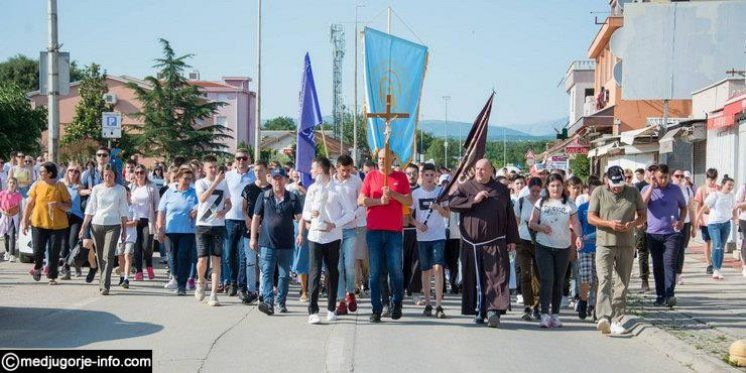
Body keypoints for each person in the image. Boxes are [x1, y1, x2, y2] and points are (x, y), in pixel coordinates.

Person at [449, 159, 519, 328]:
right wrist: (474, 199)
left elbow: (509, 215)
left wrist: (512, 239)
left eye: (483, 169)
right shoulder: (466, 187)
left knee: (496, 277)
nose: (480, 172)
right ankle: (479, 311)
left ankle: (494, 311)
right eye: (478, 169)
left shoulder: (501, 190)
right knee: (475, 278)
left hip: (494, 242)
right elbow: (452, 204)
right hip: (471, 244)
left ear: (490, 171)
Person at [588, 166, 646, 335]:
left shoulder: (633, 192)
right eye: (614, 184)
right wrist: (609, 224)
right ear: (607, 180)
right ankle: (604, 317)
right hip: (604, 243)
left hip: (626, 243)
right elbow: (591, 217)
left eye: (620, 183)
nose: (617, 187)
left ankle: (617, 319)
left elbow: (643, 215)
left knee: (622, 283)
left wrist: (633, 224)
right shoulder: (599, 192)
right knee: (604, 279)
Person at [358, 149, 412, 323]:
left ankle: (397, 302)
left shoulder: (401, 177)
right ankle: (376, 309)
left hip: (394, 232)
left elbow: (409, 201)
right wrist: (378, 201)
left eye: (385, 158)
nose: (381, 161)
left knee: (395, 270)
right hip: (374, 231)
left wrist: (393, 195)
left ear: (392, 159)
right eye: (380, 158)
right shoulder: (371, 176)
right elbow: (361, 200)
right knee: (375, 273)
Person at [302, 157, 355, 324]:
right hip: (315, 236)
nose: (310, 171)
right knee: (315, 272)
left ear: (321, 170)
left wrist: (335, 224)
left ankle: (331, 308)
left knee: (332, 272)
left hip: (332, 236)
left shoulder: (337, 190)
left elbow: (350, 213)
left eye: (313, 168)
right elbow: (304, 213)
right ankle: (313, 311)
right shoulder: (311, 189)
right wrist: (311, 215)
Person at [529, 173, 582, 328]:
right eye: (552, 186)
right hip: (543, 246)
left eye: (558, 185)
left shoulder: (569, 204)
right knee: (547, 280)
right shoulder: (541, 202)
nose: (556, 188)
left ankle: (556, 315)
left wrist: (579, 237)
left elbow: (576, 222)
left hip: (563, 247)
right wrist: (541, 228)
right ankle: (545, 314)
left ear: (563, 187)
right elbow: (532, 223)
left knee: (559, 282)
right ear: (548, 187)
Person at [251, 168, 303, 316]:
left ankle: (281, 302)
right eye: (275, 178)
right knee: (267, 272)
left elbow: (300, 218)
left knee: (284, 275)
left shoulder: (292, 198)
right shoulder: (264, 196)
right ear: (271, 180)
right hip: (267, 243)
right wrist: (253, 238)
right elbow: (256, 217)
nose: (278, 181)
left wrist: (300, 234)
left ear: (285, 180)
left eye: (280, 178)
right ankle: (268, 302)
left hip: (286, 244)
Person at [641, 164, 687, 308]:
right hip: (653, 234)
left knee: (669, 264)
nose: (663, 180)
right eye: (661, 177)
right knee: (657, 265)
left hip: (672, 234)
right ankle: (660, 295)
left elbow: (683, 207)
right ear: (654, 176)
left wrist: (681, 221)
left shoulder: (675, 189)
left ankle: (670, 294)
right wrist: (651, 186)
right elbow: (642, 205)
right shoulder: (646, 189)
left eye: (666, 177)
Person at [79, 164, 128, 294]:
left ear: (115, 176)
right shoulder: (96, 189)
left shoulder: (120, 189)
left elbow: (123, 209)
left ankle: (106, 285)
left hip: (114, 225)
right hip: (97, 225)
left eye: (110, 175)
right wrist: (84, 226)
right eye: (105, 175)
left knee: (108, 255)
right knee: (100, 256)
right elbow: (90, 208)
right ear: (102, 176)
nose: (108, 178)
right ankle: (102, 281)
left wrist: (124, 229)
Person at [21, 162, 71, 285]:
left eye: (42, 171)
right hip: (38, 223)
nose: (40, 173)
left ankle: (52, 277)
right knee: (38, 250)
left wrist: (59, 204)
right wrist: (24, 221)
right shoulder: (36, 185)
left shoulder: (60, 186)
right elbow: (29, 204)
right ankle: (38, 267)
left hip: (57, 225)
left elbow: (68, 205)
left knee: (54, 251)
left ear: (50, 173)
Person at [410, 163, 449, 318]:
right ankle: (427, 303)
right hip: (422, 236)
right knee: (425, 270)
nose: (429, 178)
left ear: (435, 177)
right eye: (426, 175)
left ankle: (439, 304)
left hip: (438, 235)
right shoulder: (415, 193)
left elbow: (448, 214)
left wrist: (439, 208)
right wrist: (418, 224)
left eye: (432, 175)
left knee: (438, 267)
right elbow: (408, 217)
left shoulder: (441, 192)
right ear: (422, 176)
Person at [193, 156, 231, 306]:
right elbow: (202, 198)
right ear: (204, 169)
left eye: (215, 167)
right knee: (202, 260)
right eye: (211, 167)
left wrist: (224, 211)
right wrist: (215, 182)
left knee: (216, 260)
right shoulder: (200, 183)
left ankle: (214, 294)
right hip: (202, 224)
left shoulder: (224, 184)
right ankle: (201, 281)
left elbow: (229, 203)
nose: (214, 170)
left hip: (218, 225)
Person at [157, 168, 199, 296]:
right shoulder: (170, 192)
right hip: (171, 230)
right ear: (178, 178)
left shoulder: (194, 193)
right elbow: (161, 210)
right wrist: (160, 227)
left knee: (183, 256)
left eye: (189, 179)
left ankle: (182, 286)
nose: (187, 181)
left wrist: (196, 211)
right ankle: (175, 277)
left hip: (188, 231)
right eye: (185, 178)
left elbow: (203, 206)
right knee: (173, 257)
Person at [332, 155, 364, 315]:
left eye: (348, 170)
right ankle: (341, 301)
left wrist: (354, 215)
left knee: (350, 265)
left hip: (351, 229)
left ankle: (350, 292)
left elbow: (363, 204)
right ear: (337, 168)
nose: (346, 173)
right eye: (343, 170)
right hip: (335, 231)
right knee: (338, 268)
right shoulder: (330, 184)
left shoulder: (357, 181)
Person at [222, 150, 255, 296]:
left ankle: (242, 287)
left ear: (249, 160)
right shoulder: (228, 176)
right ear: (235, 160)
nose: (241, 161)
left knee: (243, 256)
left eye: (244, 158)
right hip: (230, 219)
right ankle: (232, 282)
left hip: (246, 221)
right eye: (238, 158)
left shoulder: (253, 176)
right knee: (229, 255)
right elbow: (220, 196)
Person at [240, 160, 270, 304]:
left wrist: (263, 224)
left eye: (261, 170)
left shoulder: (271, 189)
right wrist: (247, 219)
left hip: (266, 232)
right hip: (249, 230)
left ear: (266, 171)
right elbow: (244, 209)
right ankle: (251, 290)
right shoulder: (248, 188)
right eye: (256, 170)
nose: (258, 173)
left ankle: (263, 292)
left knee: (264, 263)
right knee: (250, 262)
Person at [514, 176, 542, 321]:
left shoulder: (545, 203)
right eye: (533, 191)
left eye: (538, 191)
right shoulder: (521, 202)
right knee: (525, 274)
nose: (536, 193)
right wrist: (511, 241)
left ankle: (536, 306)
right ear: (529, 189)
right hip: (523, 241)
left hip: (540, 242)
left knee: (538, 275)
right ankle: (527, 305)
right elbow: (515, 222)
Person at [575, 177, 603, 320]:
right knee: (586, 278)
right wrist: (579, 237)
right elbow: (577, 224)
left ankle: (595, 305)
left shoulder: (605, 208)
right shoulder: (582, 208)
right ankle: (583, 302)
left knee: (598, 279)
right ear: (588, 191)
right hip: (585, 248)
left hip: (601, 248)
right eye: (593, 190)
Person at [702, 175, 736, 280]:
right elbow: (704, 206)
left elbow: (733, 209)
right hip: (714, 224)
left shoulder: (731, 196)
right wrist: (697, 219)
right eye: (729, 185)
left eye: (732, 185)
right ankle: (715, 269)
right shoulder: (715, 195)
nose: (730, 187)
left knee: (721, 247)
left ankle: (718, 269)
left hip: (726, 224)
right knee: (717, 245)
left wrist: (736, 218)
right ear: (723, 184)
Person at [129, 164, 160, 281]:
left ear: (146, 173)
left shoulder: (152, 187)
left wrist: (157, 220)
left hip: (148, 220)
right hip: (135, 220)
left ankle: (149, 266)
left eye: (141, 172)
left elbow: (157, 204)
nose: (139, 175)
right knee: (136, 247)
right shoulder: (132, 187)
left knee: (146, 246)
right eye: (137, 173)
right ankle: (139, 271)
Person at [693, 168, 720, 275]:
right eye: (710, 179)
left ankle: (715, 263)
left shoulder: (719, 189)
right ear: (706, 178)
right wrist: (697, 219)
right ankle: (709, 264)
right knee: (707, 242)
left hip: (717, 220)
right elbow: (697, 205)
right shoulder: (702, 189)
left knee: (717, 242)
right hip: (705, 220)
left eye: (714, 179)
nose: (712, 182)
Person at [61, 164, 85, 278]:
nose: (73, 173)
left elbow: (86, 198)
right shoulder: (61, 184)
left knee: (72, 242)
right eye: (71, 170)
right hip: (63, 216)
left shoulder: (80, 186)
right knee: (64, 244)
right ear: (67, 172)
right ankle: (66, 269)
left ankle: (75, 264)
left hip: (76, 217)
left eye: (76, 171)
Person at [402, 164, 422, 298]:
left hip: (417, 230)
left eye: (414, 173)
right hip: (402, 230)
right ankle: (402, 286)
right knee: (403, 260)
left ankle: (414, 289)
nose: (411, 175)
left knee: (417, 261)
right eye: (409, 173)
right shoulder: (401, 191)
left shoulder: (421, 191)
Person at [672, 169, 695, 285]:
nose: (680, 178)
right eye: (677, 176)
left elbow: (691, 208)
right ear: (672, 177)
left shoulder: (687, 189)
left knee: (681, 250)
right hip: (670, 224)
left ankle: (678, 274)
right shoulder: (668, 189)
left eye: (682, 176)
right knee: (670, 249)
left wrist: (694, 226)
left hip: (685, 223)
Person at [117, 187, 137, 289]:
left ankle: (126, 279)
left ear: (130, 195)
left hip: (131, 236)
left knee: (127, 255)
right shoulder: (119, 207)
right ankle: (121, 276)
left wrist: (124, 224)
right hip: (120, 237)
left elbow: (135, 222)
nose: (125, 197)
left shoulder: (133, 207)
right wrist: (125, 223)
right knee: (120, 257)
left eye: (127, 195)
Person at [0, 177, 22, 262]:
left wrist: (21, 216)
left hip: (14, 217)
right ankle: (7, 251)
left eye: (14, 183)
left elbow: (20, 207)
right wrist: (3, 212)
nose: (12, 184)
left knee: (12, 235)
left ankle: (12, 255)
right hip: (5, 216)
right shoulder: (2, 193)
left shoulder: (18, 195)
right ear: (7, 183)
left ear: (16, 185)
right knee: (6, 236)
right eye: (10, 183)